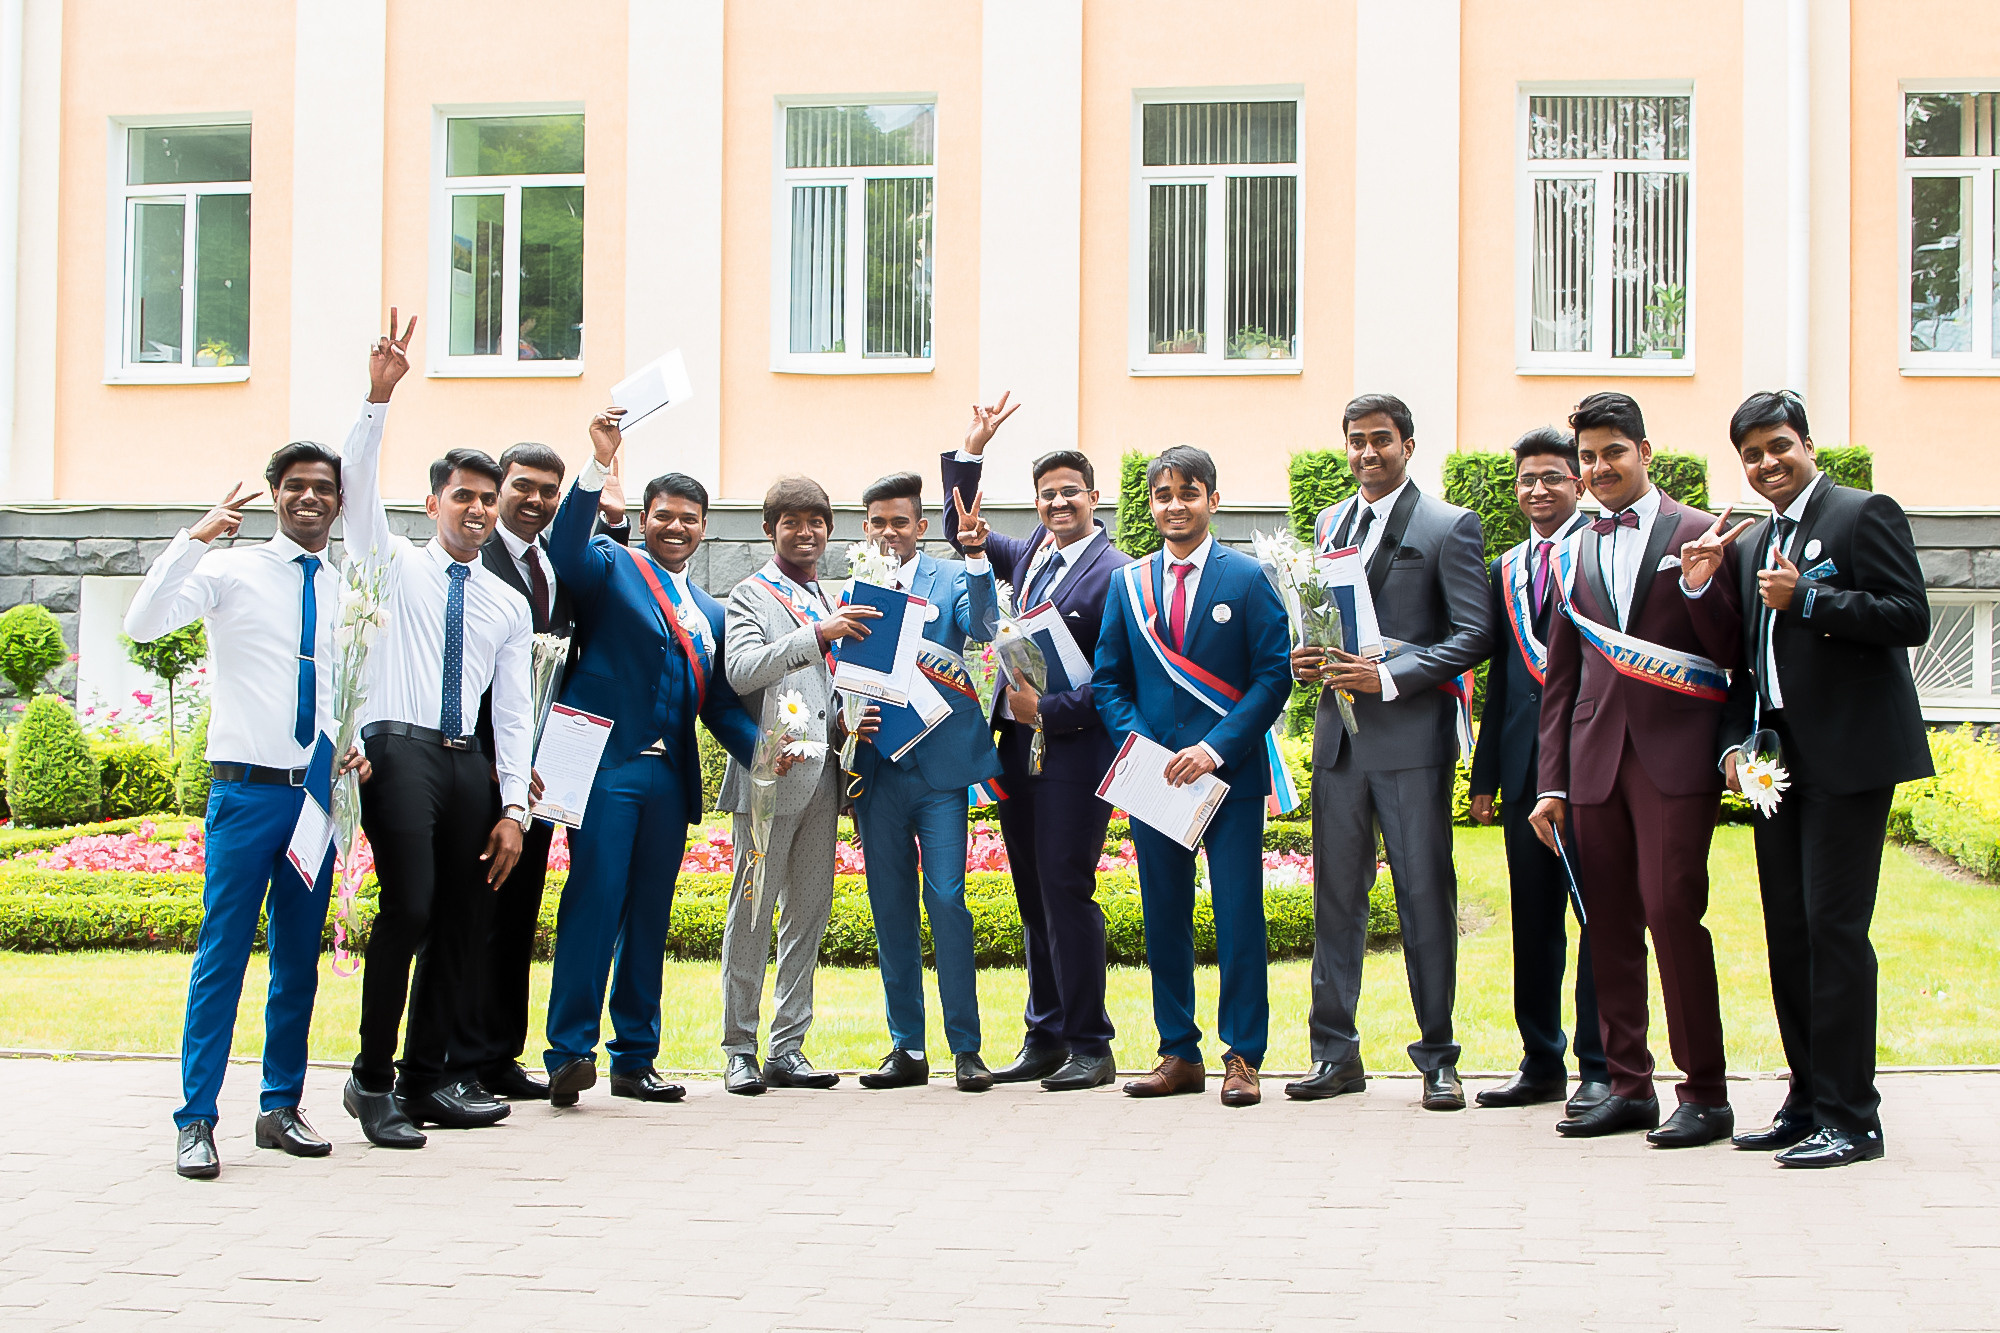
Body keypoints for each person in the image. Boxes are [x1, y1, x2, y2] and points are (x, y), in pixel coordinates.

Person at [128, 428, 371, 1179]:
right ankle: (197, 1118)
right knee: (222, 957)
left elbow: (344, 687)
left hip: (314, 798)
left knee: (297, 960)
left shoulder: (349, 589)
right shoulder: (230, 571)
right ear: (276, 494)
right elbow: (141, 624)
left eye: (324, 487)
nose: (309, 497)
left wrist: (353, 745)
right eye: (296, 484)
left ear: (338, 502)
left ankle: (280, 1105)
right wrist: (192, 540)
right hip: (244, 792)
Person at [1717, 391, 1931, 1168]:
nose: (1768, 463)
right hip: (1778, 764)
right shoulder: (1747, 542)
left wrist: (1809, 597)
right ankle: (1807, 1098)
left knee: (1835, 934)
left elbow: (1909, 615)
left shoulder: (1861, 513)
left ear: (1808, 444)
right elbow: (1743, 663)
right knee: (1789, 934)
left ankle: (1853, 1117)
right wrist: (1734, 748)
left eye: (1780, 446)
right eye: (1752, 454)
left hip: (1850, 757)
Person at [1529, 391, 1746, 1147]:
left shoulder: (1699, 531)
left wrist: (1696, 583)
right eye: (1587, 457)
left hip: (1673, 759)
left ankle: (1706, 1093)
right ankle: (1629, 1084)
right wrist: (1549, 780)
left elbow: (1730, 651)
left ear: (1645, 453)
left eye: (1613, 452)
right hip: (1592, 763)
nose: (1599, 468)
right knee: (1608, 924)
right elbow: (1561, 678)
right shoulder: (1572, 547)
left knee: (1672, 913)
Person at [340, 310, 534, 1148]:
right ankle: (369, 1078)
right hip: (398, 748)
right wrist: (378, 399)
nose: (481, 510)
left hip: (468, 766)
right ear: (434, 502)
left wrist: (517, 810)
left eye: (491, 500)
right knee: (411, 907)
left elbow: (518, 710)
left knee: (463, 918)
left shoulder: (507, 601)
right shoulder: (391, 562)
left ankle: (429, 1078)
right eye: (465, 497)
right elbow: (352, 482)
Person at [540, 408, 759, 1109]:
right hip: (607, 767)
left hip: (671, 778)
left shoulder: (709, 611)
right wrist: (597, 463)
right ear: (645, 515)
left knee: (650, 916)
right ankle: (569, 1051)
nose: (676, 527)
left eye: (689, 518)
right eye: (665, 514)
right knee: (595, 900)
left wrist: (770, 755)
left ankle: (636, 1056)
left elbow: (721, 705)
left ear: (703, 525)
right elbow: (564, 549)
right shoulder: (612, 566)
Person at [1288, 394, 1494, 1112]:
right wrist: (1307, 657)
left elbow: (1473, 633)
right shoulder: (1329, 522)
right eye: (1355, 442)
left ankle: (1438, 1057)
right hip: (1341, 740)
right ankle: (1334, 1052)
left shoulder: (1448, 526)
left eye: (1381, 440)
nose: (1367, 453)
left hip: (1411, 743)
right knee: (1335, 899)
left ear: (1408, 443)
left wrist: (1389, 674)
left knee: (1422, 900)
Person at [942, 393, 1133, 1092]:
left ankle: (1091, 1042)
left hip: (1076, 753)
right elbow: (959, 526)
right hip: (1018, 748)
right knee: (1031, 895)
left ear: (1093, 496)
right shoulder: (1028, 556)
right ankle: (1046, 1034)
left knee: (1065, 887)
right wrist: (972, 449)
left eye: (1069, 493)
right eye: (1047, 495)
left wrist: (1050, 710)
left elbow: (1117, 681)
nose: (1058, 504)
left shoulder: (1118, 573)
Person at [1092, 445, 1292, 1108]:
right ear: (1149, 505)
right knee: (1164, 914)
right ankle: (1178, 1050)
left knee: (1238, 913)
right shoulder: (1128, 583)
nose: (1175, 505)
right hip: (1157, 779)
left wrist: (1213, 748)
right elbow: (1109, 679)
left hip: (1226, 778)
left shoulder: (1247, 577)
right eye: (1163, 494)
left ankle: (1242, 1055)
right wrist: (1140, 746)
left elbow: (1273, 676)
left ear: (1212, 497)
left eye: (1189, 492)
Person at [452, 442, 629, 1103]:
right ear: (498, 488)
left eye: (549, 492)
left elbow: (594, 556)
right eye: (523, 486)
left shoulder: (549, 558)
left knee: (520, 912)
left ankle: (499, 1054)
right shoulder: (476, 554)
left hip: (543, 767)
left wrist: (608, 501)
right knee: (478, 911)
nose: (535, 499)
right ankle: (457, 1059)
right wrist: (503, 761)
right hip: (482, 764)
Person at [716, 475, 877, 1096]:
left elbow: (827, 688)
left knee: (808, 914)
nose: (805, 532)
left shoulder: (831, 594)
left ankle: (788, 1047)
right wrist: (817, 634)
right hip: (769, 777)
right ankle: (738, 1047)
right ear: (769, 529)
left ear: (829, 530)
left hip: (825, 776)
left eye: (816, 521)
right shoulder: (750, 595)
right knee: (753, 912)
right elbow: (740, 671)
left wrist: (848, 716)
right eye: (792, 521)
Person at [1466, 426, 1608, 1114]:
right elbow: (1501, 679)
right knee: (1535, 921)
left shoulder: (1603, 551)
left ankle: (1602, 1064)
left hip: (1594, 763)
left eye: (1553, 476)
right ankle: (1540, 1060)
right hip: (1526, 771)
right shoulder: (1508, 568)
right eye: (1527, 479)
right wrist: (1486, 776)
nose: (1538, 489)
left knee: (1599, 916)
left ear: (1577, 483)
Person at [849, 471, 1003, 1092]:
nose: (890, 533)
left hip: (939, 772)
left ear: (920, 525)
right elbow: (847, 674)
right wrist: (845, 718)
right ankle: (906, 1049)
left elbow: (985, 626)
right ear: (867, 528)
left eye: (901, 522)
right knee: (890, 911)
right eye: (878, 523)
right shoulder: (854, 588)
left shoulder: (949, 579)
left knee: (946, 902)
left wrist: (975, 557)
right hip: (879, 773)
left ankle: (966, 1048)